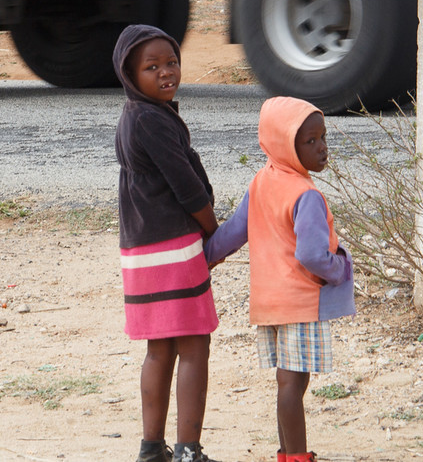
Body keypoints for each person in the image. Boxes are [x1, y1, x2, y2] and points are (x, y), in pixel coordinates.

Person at [205, 96, 355, 462]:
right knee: (293, 382)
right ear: (285, 145)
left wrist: (203, 257)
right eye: (310, 141)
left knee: (287, 382)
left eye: (323, 137)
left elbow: (233, 232)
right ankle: (298, 457)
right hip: (300, 302)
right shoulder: (306, 194)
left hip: (268, 302)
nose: (322, 148)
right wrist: (340, 269)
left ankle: (288, 453)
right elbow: (311, 255)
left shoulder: (261, 181)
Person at [113, 24, 221, 462]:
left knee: (159, 349)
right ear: (129, 74)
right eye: (151, 67)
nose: (165, 72)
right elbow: (187, 187)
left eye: (172, 62)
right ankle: (188, 452)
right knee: (194, 345)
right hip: (173, 249)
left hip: (141, 252)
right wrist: (213, 229)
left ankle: (151, 448)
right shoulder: (151, 120)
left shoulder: (133, 115)